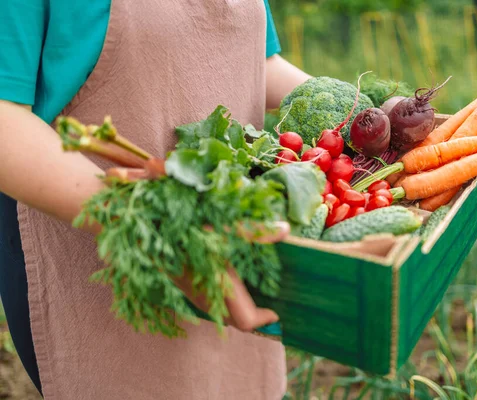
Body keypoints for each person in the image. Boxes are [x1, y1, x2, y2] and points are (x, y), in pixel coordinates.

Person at [0, 1, 312, 399]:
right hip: (109, 264)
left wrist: (362, 111)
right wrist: (157, 227)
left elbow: (255, 58)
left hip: (228, 244)